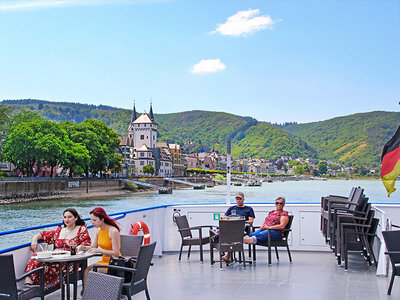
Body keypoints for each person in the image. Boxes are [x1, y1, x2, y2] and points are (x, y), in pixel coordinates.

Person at [25, 208, 91, 289]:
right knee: (36, 258)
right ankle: (28, 285)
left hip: (71, 261)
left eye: (69, 217)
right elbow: (43, 234)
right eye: (65, 217)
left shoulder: (81, 229)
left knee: (49, 267)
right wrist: (34, 239)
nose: (66, 220)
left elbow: (87, 245)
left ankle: (44, 287)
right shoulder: (59, 230)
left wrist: (80, 248)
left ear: (76, 218)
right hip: (55, 257)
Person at [77, 207, 121, 285]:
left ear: (102, 219)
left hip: (114, 262)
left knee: (90, 271)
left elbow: (116, 253)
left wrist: (100, 250)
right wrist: (82, 247)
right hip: (104, 261)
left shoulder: (113, 231)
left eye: (94, 220)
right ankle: (86, 293)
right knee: (87, 270)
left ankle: (92, 293)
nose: (92, 223)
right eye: (91, 220)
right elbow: (93, 247)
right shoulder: (98, 230)